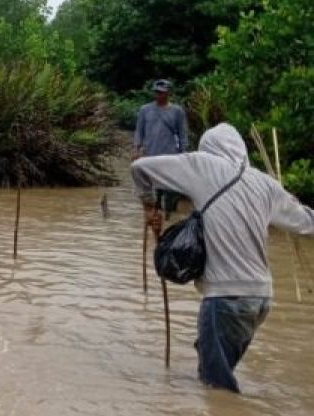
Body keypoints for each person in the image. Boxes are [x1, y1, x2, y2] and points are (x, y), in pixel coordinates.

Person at [132, 123, 314, 393]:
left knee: (216, 388)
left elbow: (139, 168)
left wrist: (149, 207)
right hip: (260, 300)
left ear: (209, 148)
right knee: (214, 369)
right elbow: (306, 222)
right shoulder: (266, 183)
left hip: (226, 297)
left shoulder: (202, 165)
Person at [134, 79, 188, 218]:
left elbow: (182, 134)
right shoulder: (145, 110)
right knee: (151, 186)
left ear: (168, 93)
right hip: (150, 154)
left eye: (162, 93)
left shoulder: (177, 111)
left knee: (168, 187)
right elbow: (139, 132)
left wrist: (183, 154)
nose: (159, 95)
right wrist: (137, 149)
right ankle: (155, 212)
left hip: (170, 155)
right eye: (157, 92)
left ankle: (168, 214)